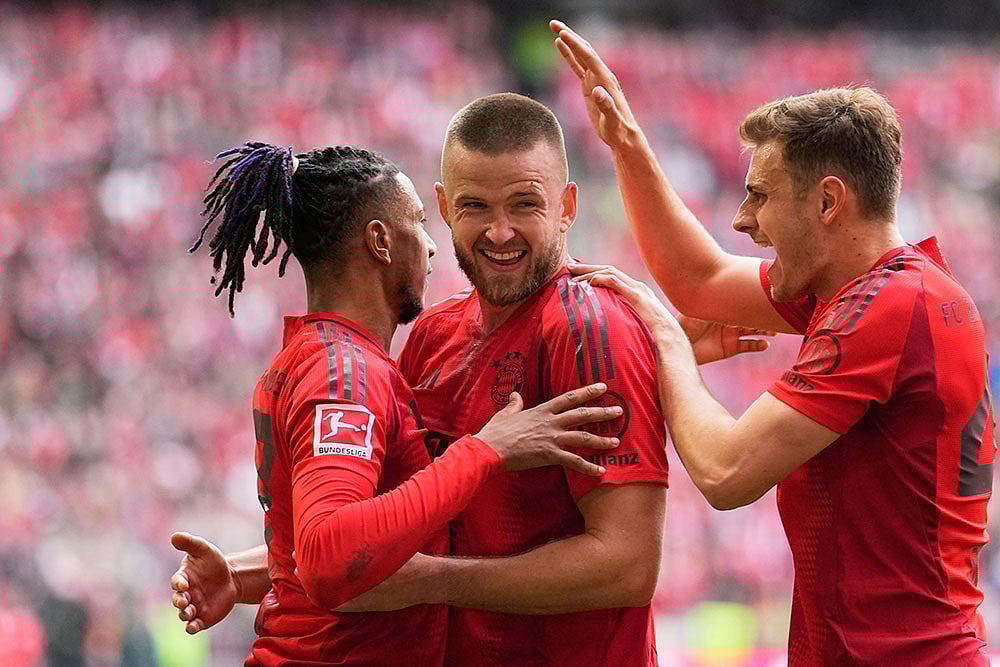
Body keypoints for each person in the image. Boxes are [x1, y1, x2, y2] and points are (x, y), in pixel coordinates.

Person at [172, 97, 772, 666]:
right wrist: (246, 572)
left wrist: (426, 582)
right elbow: (375, 528)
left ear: (566, 205)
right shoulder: (430, 337)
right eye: (475, 207)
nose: (500, 232)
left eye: (525, 205)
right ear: (443, 206)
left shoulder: (588, 327)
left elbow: (627, 565)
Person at [551, 19, 994, 666]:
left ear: (827, 203)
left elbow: (727, 471)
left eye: (760, 195)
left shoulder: (887, 307)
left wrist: (667, 343)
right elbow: (698, 277)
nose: (742, 218)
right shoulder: (870, 289)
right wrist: (627, 143)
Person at [179, 140, 630, 665]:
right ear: (381, 241)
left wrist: (240, 574)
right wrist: (484, 452)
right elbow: (331, 556)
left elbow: (350, 540)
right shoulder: (344, 376)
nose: (432, 247)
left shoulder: (327, 360)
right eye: (418, 221)